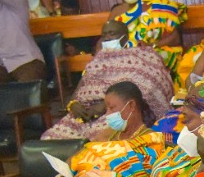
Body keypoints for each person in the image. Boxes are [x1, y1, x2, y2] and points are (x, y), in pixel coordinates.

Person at [42, 21, 175, 141]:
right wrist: (73, 105)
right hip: (84, 114)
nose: (107, 38)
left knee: (98, 141)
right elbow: (81, 88)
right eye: (104, 35)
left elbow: (147, 87)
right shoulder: (97, 60)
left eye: (112, 34)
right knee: (50, 139)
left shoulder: (142, 56)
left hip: (116, 113)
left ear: (125, 37)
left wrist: (104, 106)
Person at [55, 81, 167, 177]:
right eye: (107, 108)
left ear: (131, 106)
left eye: (111, 108)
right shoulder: (109, 133)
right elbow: (76, 159)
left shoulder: (151, 140)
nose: (107, 114)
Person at [111, 0, 188, 79]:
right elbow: (106, 38)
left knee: (144, 63)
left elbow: (175, 39)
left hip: (155, 51)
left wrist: (151, 46)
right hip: (126, 56)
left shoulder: (158, 5)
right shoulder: (116, 12)